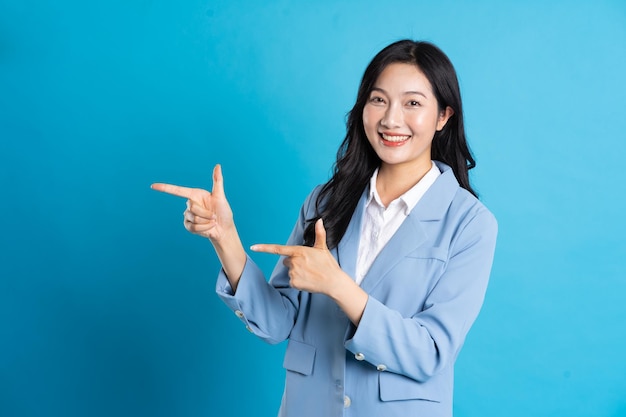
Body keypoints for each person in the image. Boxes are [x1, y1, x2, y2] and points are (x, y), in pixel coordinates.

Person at [152, 39, 497, 417]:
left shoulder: (470, 223)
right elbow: (276, 322)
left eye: (412, 103)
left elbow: (430, 351)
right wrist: (225, 237)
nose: (391, 120)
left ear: (443, 117)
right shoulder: (326, 201)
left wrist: (337, 285)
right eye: (378, 100)